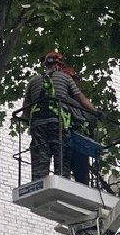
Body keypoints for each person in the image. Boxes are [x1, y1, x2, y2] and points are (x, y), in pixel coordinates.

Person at [21, 49, 99, 184]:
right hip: (57, 124)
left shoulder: (33, 81)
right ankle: (62, 181)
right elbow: (81, 99)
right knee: (61, 155)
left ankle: (38, 182)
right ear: (59, 65)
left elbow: (26, 110)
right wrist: (96, 112)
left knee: (40, 155)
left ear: (45, 65)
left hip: (38, 125)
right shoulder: (65, 78)